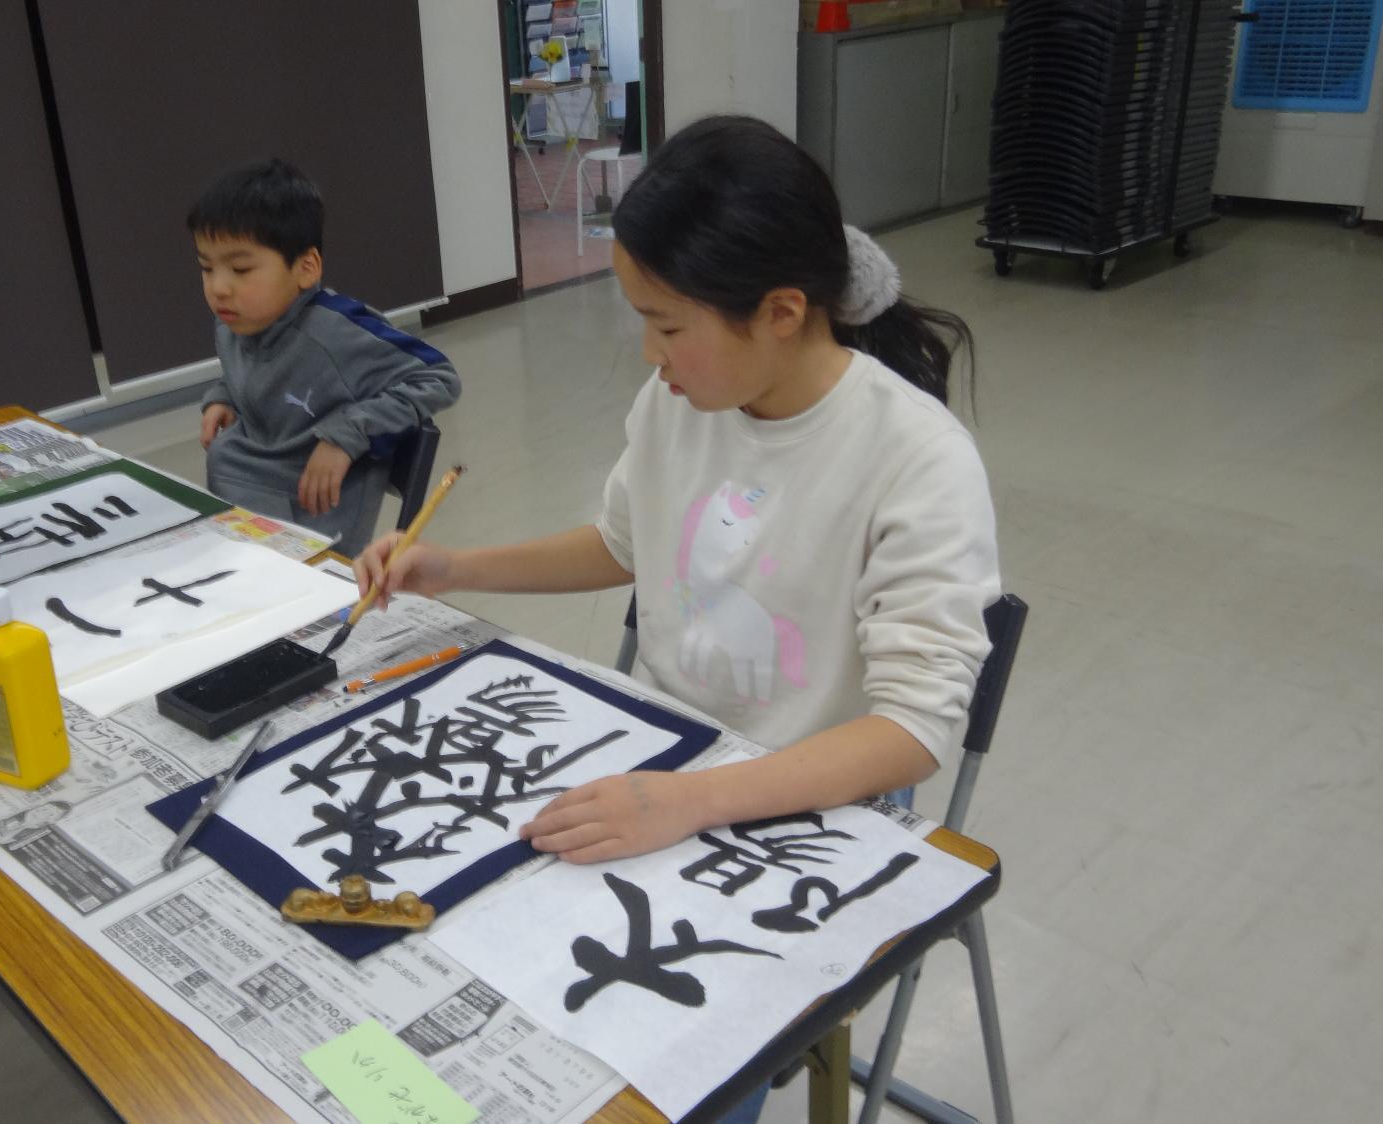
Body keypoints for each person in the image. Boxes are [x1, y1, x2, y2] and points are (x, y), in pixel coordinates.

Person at [354, 115, 1000, 1122]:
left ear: (781, 310)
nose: (650, 357)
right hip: (659, 755)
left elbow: (912, 730)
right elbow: (624, 544)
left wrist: (687, 803)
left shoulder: (914, 456)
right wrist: (452, 564)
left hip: (810, 802)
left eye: (665, 324)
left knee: (659, 1074)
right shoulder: (680, 404)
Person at [191, 158, 461, 550]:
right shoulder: (237, 322)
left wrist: (345, 435)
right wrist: (224, 395)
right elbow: (254, 369)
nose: (218, 288)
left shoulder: (337, 331)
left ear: (306, 267)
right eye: (206, 269)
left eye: (241, 269)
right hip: (247, 504)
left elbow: (440, 377)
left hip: (310, 525)